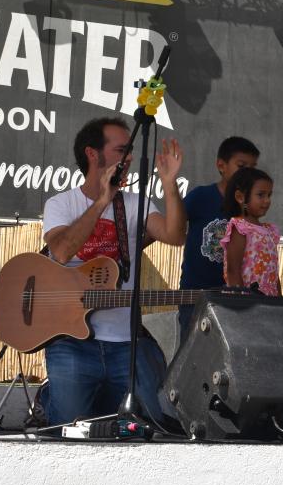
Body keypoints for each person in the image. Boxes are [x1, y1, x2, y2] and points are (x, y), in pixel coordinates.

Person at [41, 117, 186, 427]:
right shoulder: (61, 203)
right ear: (93, 154)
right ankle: (49, 399)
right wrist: (102, 201)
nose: (129, 157)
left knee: (130, 429)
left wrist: (169, 184)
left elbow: (175, 236)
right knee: (65, 429)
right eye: (122, 149)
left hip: (124, 343)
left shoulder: (135, 204)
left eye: (131, 150)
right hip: (71, 341)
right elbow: (63, 250)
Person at [179, 137, 260, 332]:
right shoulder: (200, 196)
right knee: (192, 355)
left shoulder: (251, 206)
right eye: (241, 165)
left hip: (238, 299)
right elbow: (167, 228)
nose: (247, 173)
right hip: (196, 297)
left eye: (253, 167)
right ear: (221, 165)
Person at [220, 167, 281, 296]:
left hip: (270, 303)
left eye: (269, 195)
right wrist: (242, 305)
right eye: (261, 195)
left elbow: (274, 274)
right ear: (240, 197)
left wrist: (280, 300)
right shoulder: (240, 228)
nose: (267, 200)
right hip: (247, 304)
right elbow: (233, 271)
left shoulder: (270, 231)